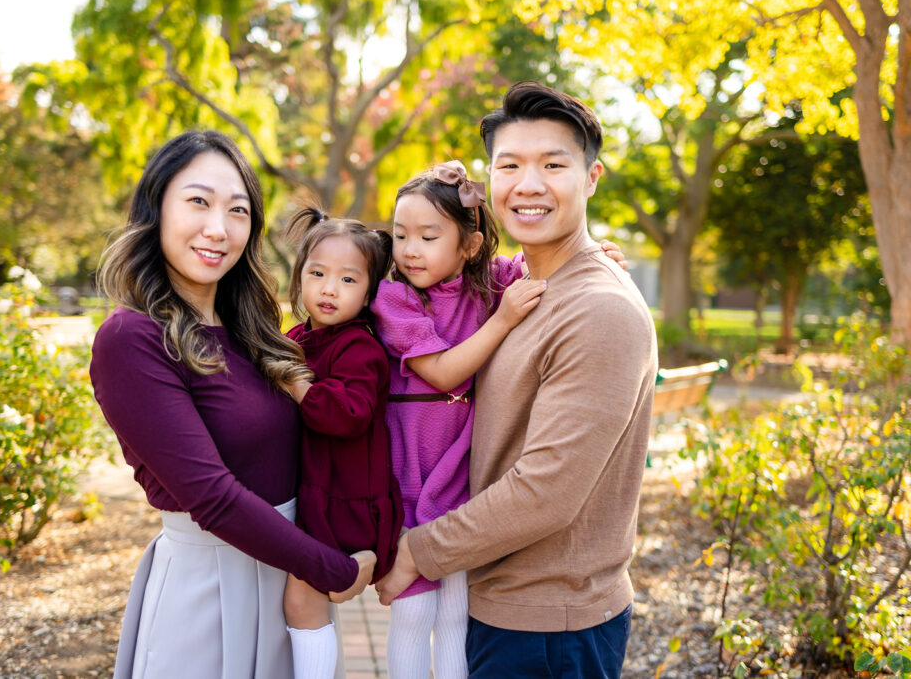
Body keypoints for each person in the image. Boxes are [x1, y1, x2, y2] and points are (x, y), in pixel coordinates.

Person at [376, 81, 658, 679]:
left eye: (553, 164)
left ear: (591, 178)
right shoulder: (518, 288)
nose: (528, 184)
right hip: (501, 602)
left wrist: (418, 550)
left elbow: (546, 492)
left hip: (549, 627)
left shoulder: (599, 309)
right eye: (510, 165)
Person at [89, 130, 376, 679]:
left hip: (293, 586)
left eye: (238, 210)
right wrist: (333, 570)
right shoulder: (133, 338)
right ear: (157, 207)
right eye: (198, 201)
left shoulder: (257, 330)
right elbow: (212, 496)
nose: (218, 229)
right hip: (212, 590)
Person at [279, 208, 404, 679]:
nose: (329, 289)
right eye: (317, 274)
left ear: (370, 293)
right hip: (316, 493)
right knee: (297, 599)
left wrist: (293, 383)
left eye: (348, 280)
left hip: (346, 504)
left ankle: (359, 567)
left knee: (302, 597)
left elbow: (347, 413)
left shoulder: (360, 348)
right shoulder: (298, 338)